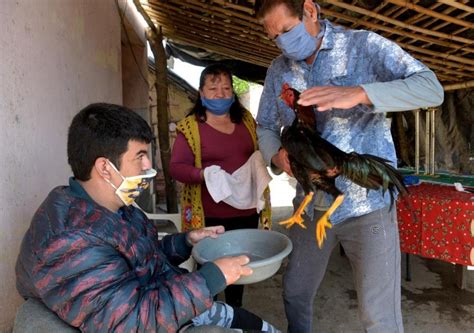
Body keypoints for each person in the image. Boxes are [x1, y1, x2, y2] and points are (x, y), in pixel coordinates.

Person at [256, 1, 444, 332]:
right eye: (274, 37)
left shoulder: (362, 46)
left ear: (310, 11)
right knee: (295, 292)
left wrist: (359, 93)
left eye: (287, 30)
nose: (282, 42)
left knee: (377, 315)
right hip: (311, 204)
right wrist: (276, 156)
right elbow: (265, 126)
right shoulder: (278, 70)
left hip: (365, 204)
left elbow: (431, 88)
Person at [15, 103, 279, 333]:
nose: (148, 167)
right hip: (150, 319)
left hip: (163, 299)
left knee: (258, 325)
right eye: (140, 157)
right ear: (105, 167)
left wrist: (184, 242)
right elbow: (131, 323)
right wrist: (212, 277)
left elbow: (140, 258)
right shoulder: (71, 242)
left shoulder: (111, 205)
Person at [170, 63, 271, 309]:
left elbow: (262, 150)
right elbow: (176, 168)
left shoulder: (247, 121)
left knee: (240, 267)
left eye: (226, 88)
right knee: (211, 270)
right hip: (210, 216)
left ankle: (235, 312)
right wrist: (203, 174)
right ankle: (211, 314)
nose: (220, 93)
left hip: (246, 211)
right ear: (201, 93)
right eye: (213, 88)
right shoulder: (190, 127)